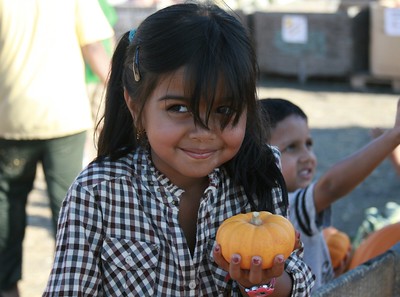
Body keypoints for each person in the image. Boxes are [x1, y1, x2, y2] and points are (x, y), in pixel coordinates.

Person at [43, 3, 315, 296]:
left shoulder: (259, 173)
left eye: (225, 109)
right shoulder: (98, 193)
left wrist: (262, 283)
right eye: (179, 108)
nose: (203, 133)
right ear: (136, 107)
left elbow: (298, 280)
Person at [0, 0, 114, 296]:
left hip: (10, 116)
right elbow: (93, 47)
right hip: (64, 116)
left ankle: (7, 285)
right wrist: (122, 93)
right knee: (69, 208)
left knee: (7, 205)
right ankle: (75, 284)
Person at [259, 97, 400, 290]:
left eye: (308, 144)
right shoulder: (286, 208)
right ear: (258, 158)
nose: (307, 156)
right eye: (291, 147)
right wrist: (393, 136)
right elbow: (330, 187)